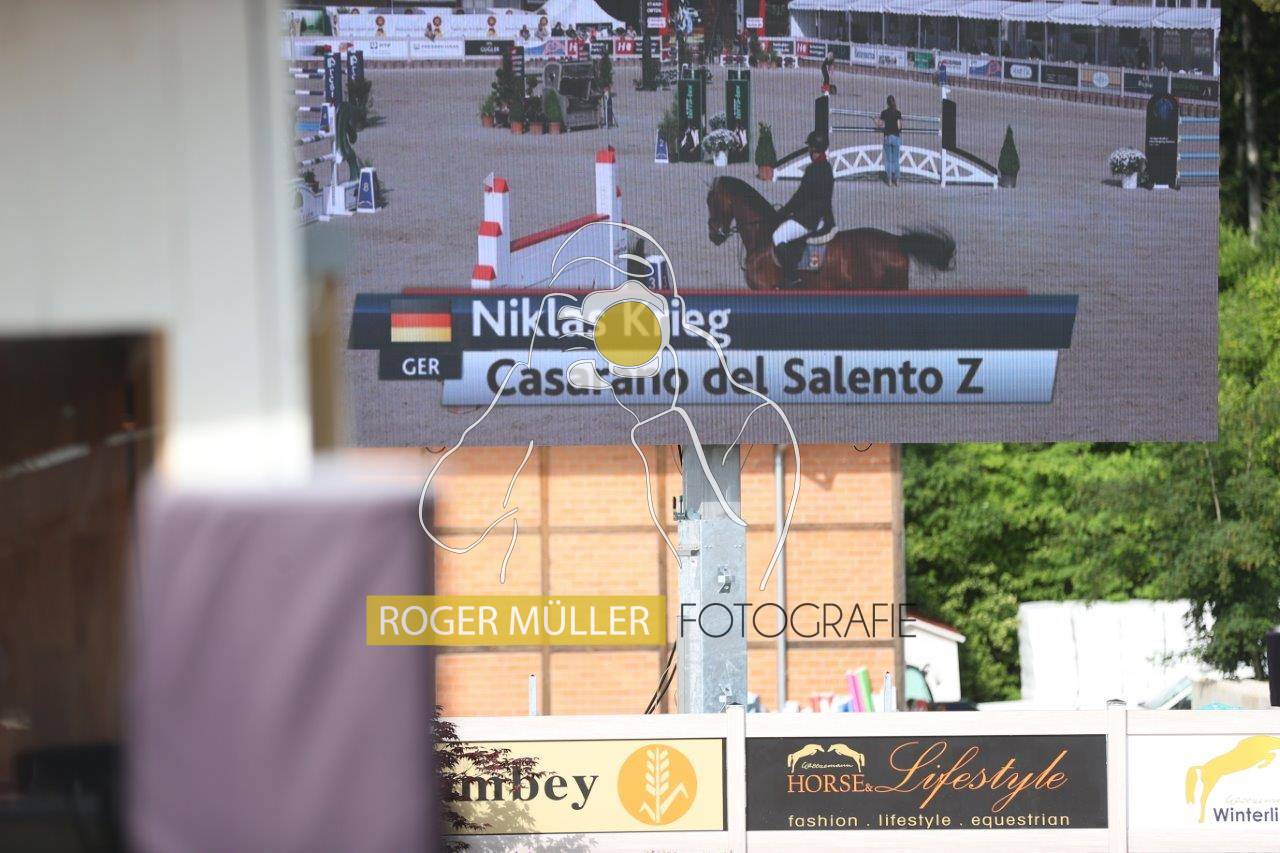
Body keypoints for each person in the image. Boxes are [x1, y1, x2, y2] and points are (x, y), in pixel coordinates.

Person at [772, 130, 834, 288]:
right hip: (823, 217)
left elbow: (799, 197)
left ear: (813, 149)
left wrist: (783, 213)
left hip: (809, 220)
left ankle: (792, 277)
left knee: (778, 236)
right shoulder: (827, 167)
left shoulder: (813, 169)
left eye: (809, 148)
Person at [876, 95, 903, 187]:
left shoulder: (884, 112)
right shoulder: (898, 113)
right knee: (896, 160)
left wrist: (875, 120)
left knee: (888, 160)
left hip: (887, 137)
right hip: (896, 137)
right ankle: (897, 180)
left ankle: (890, 180)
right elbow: (899, 126)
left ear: (887, 103)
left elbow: (880, 124)